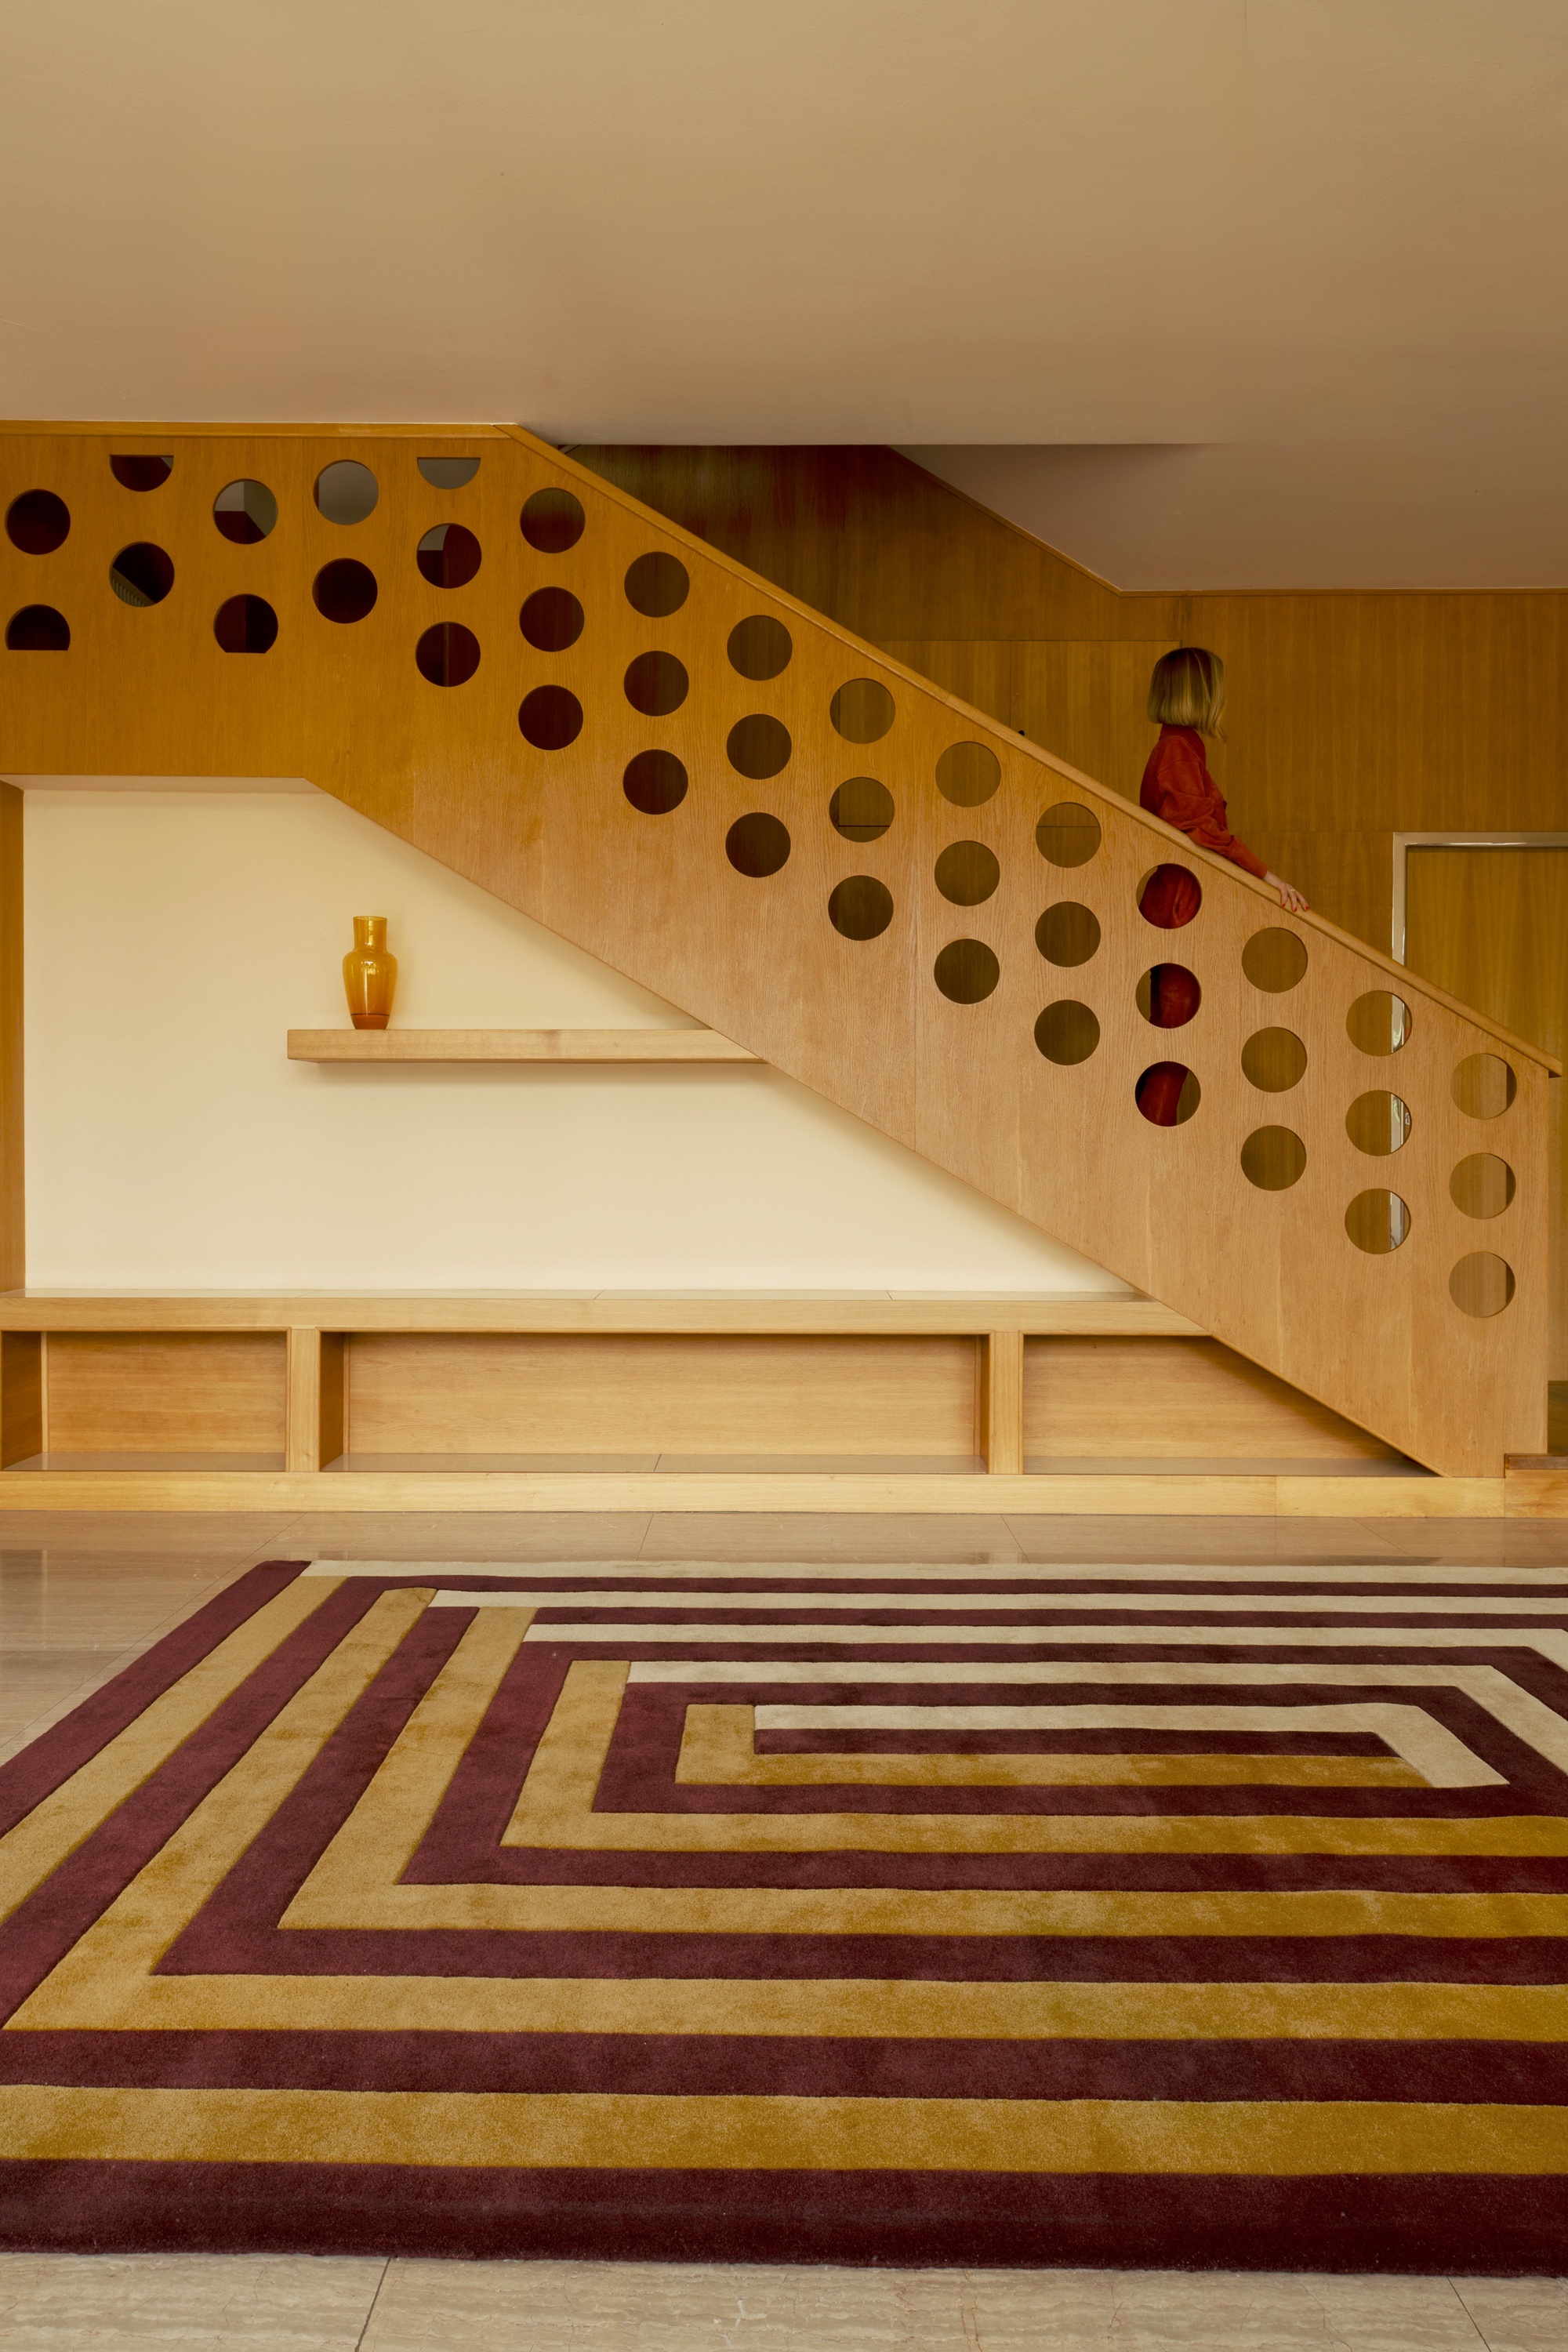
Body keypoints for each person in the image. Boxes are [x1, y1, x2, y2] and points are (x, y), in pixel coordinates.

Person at [1136, 646, 1308, 1126]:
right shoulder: (1176, 751)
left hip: (1181, 903)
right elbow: (1201, 831)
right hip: (1177, 905)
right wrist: (1270, 877)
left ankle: (1152, 1139)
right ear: (1201, 693)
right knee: (1173, 1040)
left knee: (1176, 1039)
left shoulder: (1184, 748)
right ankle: (1150, 1144)